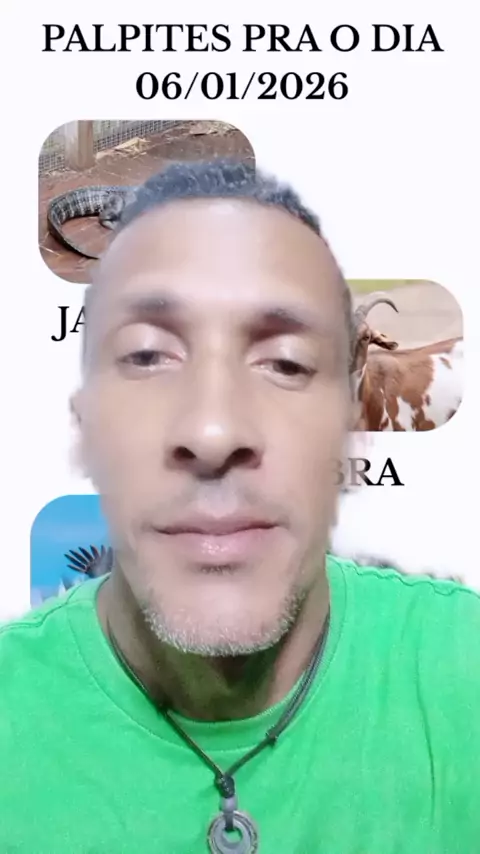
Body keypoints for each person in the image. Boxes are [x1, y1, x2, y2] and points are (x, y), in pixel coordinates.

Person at [1, 159, 479, 854]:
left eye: (285, 363)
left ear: (351, 422)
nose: (213, 430)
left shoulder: (462, 670)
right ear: (86, 425)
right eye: (147, 356)